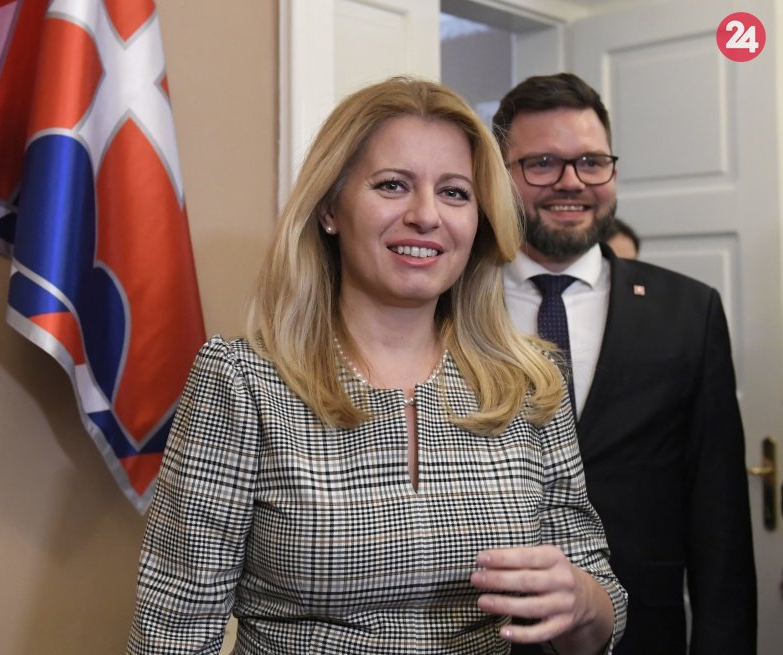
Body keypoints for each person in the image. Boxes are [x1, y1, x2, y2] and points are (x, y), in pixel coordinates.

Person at [127, 76, 627, 654]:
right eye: (392, 185)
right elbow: (172, 629)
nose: (426, 215)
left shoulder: (529, 382)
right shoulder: (243, 383)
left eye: (455, 193)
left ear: (480, 221)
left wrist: (582, 600)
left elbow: (600, 609)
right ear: (330, 209)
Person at [492, 72, 756, 654]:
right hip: (480, 628)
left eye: (592, 162)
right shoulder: (449, 303)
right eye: (542, 163)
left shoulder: (689, 311)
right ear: (498, 174)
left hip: (641, 630)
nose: (571, 182)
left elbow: (720, 521)